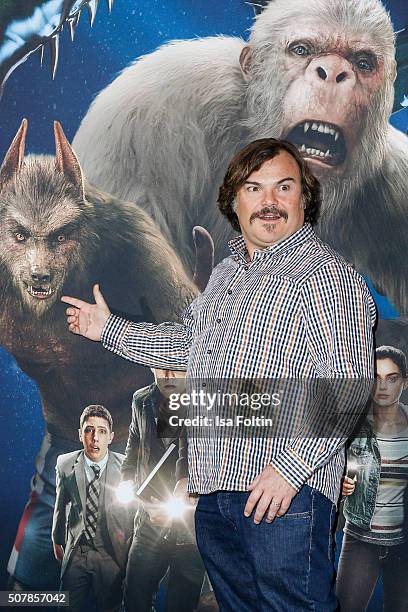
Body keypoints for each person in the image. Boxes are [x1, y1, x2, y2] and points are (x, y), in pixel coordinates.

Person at [61, 138, 376, 611]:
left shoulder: (327, 277)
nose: (268, 202)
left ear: (304, 199)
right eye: (254, 188)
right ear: (233, 201)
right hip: (216, 495)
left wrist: (289, 474)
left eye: (283, 187)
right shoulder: (227, 275)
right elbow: (186, 346)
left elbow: (346, 387)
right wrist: (107, 329)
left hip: (282, 499)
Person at [121, 368, 205, 611]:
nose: (168, 375)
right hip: (148, 520)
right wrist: (127, 479)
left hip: (189, 528)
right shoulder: (141, 400)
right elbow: (134, 444)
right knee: (134, 597)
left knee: (182, 604)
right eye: (161, 366)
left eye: (175, 367)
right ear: (150, 365)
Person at [336, 346, 408, 612]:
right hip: (360, 539)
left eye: (392, 378)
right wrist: (339, 482)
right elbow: (329, 470)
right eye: (375, 377)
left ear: (405, 382)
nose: (383, 386)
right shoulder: (352, 424)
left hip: (404, 544)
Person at [51, 405, 134, 612]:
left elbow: (133, 514)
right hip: (78, 551)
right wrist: (57, 539)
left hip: (111, 554)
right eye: (89, 430)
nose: (95, 437)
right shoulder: (65, 464)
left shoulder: (126, 468)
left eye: (102, 431)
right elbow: (60, 506)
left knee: (113, 607)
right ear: (80, 434)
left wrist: (128, 553)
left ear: (111, 437)